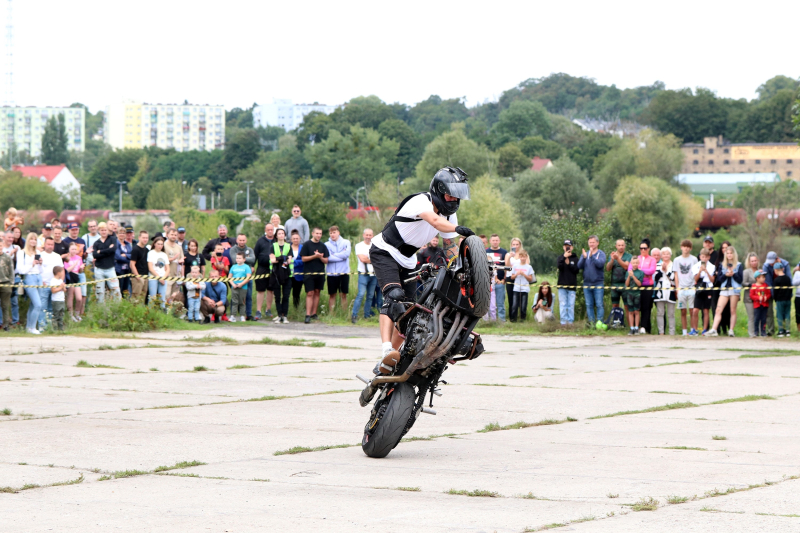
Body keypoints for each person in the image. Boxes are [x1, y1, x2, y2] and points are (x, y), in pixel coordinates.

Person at [366, 166, 472, 379]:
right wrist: (460, 230)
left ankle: (391, 358)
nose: (453, 199)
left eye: (457, 195)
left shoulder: (450, 215)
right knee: (394, 298)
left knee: (409, 313)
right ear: (439, 190)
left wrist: (456, 264)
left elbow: (449, 243)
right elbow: (434, 221)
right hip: (385, 251)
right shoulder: (420, 201)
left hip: (407, 259)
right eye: (450, 194)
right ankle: (386, 348)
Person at [705, 246, 743, 337]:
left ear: (734, 254)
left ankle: (731, 330)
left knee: (732, 310)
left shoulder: (739, 265)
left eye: (731, 253)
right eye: (728, 253)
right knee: (718, 309)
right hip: (724, 289)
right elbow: (719, 279)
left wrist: (733, 274)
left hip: (734, 289)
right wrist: (726, 275)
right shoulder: (722, 265)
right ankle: (714, 329)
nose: (729, 255)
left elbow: (740, 279)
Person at [300, 227, 329, 324]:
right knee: (310, 293)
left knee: (317, 292)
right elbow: (303, 259)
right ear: (313, 233)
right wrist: (314, 256)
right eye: (317, 233)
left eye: (320, 233)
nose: (319, 235)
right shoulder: (307, 245)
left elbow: (326, 261)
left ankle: (314, 313)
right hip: (309, 273)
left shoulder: (323, 246)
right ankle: (307, 314)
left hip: (320, 273)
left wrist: (320, 257)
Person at [16, 233, 43, 334]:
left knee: (34, 304)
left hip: (38, 277)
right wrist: (31, 265)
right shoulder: (22, 252)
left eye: (35, 239)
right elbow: (20, 269)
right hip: (29, 277)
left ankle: (30, 327)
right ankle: (32, 327)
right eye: (31, 239)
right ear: (28, 240)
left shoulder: (38, 252)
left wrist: (40, 263)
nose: (33, 241)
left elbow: (41, 270)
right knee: (38, 304)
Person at [577, 235, 606, 326]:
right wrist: (585, 257)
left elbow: (600, 264)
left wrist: (592, 257)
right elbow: (579, 266)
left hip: (598, 283)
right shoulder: (585, 254)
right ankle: (591, 323)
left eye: (593, 242)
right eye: (590, 242)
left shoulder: (601, 254)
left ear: (597, 243)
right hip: (587, 283)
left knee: (599, 304)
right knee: (589, 304)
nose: (591, 244)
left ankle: (599, 322)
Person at [673, 240, 699, 336]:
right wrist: (677, 287)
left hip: (691, 287)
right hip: (681, 288)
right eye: (684, 246)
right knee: (683, 310)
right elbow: (676, 274)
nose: (686, 248)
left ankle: (693, 330)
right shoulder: (676, 260)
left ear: (690, 248)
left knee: (692, 310)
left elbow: (696, 273)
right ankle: (684, 331)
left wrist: (695, 285)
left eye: (688, 246)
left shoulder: (694, 259)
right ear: (681, 247)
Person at [631, 239, 657, 334]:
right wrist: (642, 271)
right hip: (637, 286)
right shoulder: (636, 258)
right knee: (636, 307)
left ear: (648, 249)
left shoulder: (652, 259)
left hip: (647, 286)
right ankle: (635, 326)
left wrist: (639, 271)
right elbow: (630, 269)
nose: (642, 250)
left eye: (645, 248)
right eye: (641, 248)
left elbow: (651, 270)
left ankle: (644, 326)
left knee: (646, 307)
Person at [38, 237, 64, 330]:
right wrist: (40, 281)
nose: (50, 246)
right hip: (44, 285)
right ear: (44, 244)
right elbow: (37, 270)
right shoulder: (40, 255)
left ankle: (50, 326)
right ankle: (42, 326)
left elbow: (62, 270)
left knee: (51, 308)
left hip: (55, 286)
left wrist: (61, 282)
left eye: (52, 244)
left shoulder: (57, 256)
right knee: (42, 307)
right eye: (48, 244)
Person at [269, 227, 293, 323]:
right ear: (276, 235)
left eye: (282, 233)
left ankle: (285, 315)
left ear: (285, 235)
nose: (281, 235)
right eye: (279, 233)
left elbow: (289, 260)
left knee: (286, 296)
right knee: (277, 296)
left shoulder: (288, 246)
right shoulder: (273, 246)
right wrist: (282, 257)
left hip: (286, 274)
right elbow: (272, 260)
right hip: (276, 274)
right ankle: (279, 315)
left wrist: (280, 258)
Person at [92, 222, 121, 303]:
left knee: (116, 290)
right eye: (102, 230)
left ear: (107, 230)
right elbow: (95, 255)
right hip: (99, 269)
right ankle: (100, 309)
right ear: (99, 231)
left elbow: (113, 250)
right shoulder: (96, 243)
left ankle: (118, 307)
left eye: (105, 230)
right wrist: (107, 251)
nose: (104, 232)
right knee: (100, 292)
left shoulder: (112, 239)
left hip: (110, 268)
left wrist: (100, 251)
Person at [229, 233, 255, 320]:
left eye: (243, 240)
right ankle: (233, 315)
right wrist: (245, 258)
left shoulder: (250, 249)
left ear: (246, 240)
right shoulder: (233, 249)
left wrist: (241, 258)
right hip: (236, 278)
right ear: (237, 240)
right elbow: (234, 260)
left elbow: (253, 259)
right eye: (240, 240)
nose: (242, 242)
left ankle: (248, 314)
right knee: (235, 298)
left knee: (248, 297)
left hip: (247, 278)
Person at [353, 228, 377, 323]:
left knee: (370, 296)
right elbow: (362, 259)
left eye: (370, 235)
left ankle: (366, 315)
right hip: (363, 274)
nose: (368, 237)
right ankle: (354, 315)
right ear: (363, 235)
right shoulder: (359, 246)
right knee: (361, 294)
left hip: (373, 274)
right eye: (366, 235)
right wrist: (371, 259)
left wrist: (368, 258)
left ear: (372, 236)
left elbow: (377, 259)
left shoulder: (375, 246)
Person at [325, 225, 351, 314]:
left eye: (334, 232)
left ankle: (344, 313)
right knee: (332, 295)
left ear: (338, 233)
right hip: (331, 273)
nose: (332, 235)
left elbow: (346, 254)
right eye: (331, 233)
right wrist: (340, 255)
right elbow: (328, 258)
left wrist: (334, 255)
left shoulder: (346, 242)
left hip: (343, 273)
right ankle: (331, 313)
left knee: (343, 294)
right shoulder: (326, 245)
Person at [764, 251, 790, 336]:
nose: (771, 264)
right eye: (770, 262)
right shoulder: (766, 265)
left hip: (782, 297)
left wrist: (777, 297)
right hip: (775, 294)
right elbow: (768, 282)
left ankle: (782, 331)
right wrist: (774, 296)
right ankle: (773, 331)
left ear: (777, 259)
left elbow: (789, 281)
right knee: (771, 313)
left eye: (773, 262)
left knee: (780, 314)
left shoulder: (785, 264)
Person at [606, 239, 631, 325]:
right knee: (615, 306)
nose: (621, 247)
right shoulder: (612, 255)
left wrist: (618, 259)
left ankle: (629, 326)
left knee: (627, 306)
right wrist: (612, 260)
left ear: (625, 246)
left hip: (625, 285)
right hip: (614, 285)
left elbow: (626, 267)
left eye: (622, 245)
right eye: (619, 245)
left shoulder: (628, 256)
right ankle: (615, 324)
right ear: (616, 246)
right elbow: (608, 268)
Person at [254, 223, 276, 320]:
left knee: (270, 290)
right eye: (268, 229)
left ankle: (268, 309)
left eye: (271, 229)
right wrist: (252, 266)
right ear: (265, 230)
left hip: (273, 268)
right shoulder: (260, 241)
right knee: (260, 290)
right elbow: (255, 254)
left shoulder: (277, 241)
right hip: (262, 268)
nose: (270, 231)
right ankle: (258, 311)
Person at [691, 248, 716, 335]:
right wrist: (700, 271)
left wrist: (707, 271)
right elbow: (695, 279)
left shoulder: (712, 266)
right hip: (699, 288)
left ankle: (705, 329)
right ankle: (694, 329)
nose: (704, 259)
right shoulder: (695, 266)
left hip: (708, 288)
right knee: (695, 310)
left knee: (706, 310)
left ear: (709, 257)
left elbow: (712, 280)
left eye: (706, 257)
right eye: (703, 257)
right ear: (700, 257)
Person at [653, 247, 677, 335]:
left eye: (667, 253)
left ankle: (672, 332)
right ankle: (661, 332)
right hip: (660, 292)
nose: (666, 255)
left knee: (671, 314)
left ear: (670, 255)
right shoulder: (657, 265)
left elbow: (674, 278)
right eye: (664, 254)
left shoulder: (674, 265)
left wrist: (666, 271)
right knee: (660, 313)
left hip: (671, 292)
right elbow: (655, 278)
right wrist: (661, 270)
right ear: (661, 256)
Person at [486, 234, 508, 322]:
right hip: (487, 282)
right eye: (493, 240)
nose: (495, 242)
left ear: (499, 241)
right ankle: (487, 321)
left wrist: (504, 279)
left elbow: (507, 266)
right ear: (490, 241)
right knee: (487, 303)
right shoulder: (485, 251)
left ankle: (501, 320)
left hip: (500, 282)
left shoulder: (504, 252)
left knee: (500, 303)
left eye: (496, 240)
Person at [557, 239, 579, 325]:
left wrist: (569, 264)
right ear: (563, 247)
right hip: (562, 285)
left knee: (570, 305)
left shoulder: (575, 258)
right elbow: (559, 266)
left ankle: (570, 322)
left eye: (569, 246)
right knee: (563, 304)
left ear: (572, 247)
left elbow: (576, 270)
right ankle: (563, 322)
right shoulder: (560, 257)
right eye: (566, 246)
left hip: (572, 285)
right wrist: (564, 257)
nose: (567, 247)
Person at [509, 250, 534, 321]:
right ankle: (513, 319)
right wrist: (516, 274)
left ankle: (522, 319)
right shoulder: (515, 266)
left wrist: (524, 274)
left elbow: (530, 279)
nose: (522, 258)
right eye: (521, 257)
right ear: (519, 257)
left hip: (525, 288)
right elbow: (512, 277)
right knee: (514, 305)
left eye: (524, 257)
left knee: (523, 306)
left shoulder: (529, 267)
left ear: (526, 257)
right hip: (516, 288)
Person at [2, 229, 20, 327]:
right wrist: (11, 253)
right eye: (9, 237)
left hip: (14, 276)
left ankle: (15, 321)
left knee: (14, 301)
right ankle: (2, 322)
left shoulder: (17, 247)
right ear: (4, 237)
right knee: (2, 302)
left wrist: (16, 253)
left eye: (12, 237)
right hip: (2, 278)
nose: (11, 239)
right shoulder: (1, 248)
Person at [229, 252, 251, 323]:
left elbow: (248, 277)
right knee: (234, 302)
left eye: (239, 258)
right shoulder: (233, 267)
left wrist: (241, 284)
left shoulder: (246, 267)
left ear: (244, 259)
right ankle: (233, 316)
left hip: (243, 287)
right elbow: (229, 277)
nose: (238, 259)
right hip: (234, 287)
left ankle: (242, 315)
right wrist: (233, 284)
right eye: (237, 258)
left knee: (242, 302)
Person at [147, 237, 169, 309]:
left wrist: (164, 277)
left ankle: (161, 314)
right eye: (158, 244)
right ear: (155, 244)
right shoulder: (151, 253)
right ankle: (150, 313)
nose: (160, 246)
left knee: (162, 298)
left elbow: (168, 268)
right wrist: (159, 277)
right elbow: (150, 268)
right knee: (152, 298)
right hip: (153, 277)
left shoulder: (164, 255)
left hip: (163, 277)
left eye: (161, 244)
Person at [64, 244, 84, 322]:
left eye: (75, 249)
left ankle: (77, 313)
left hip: (76, 277)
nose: (74, 251)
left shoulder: (79, 258)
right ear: (69, 249)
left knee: (79, 298)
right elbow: (67, 270)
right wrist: (75, 264)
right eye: (72, 249)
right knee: (70, 297)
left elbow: (80, 270)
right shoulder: (67, 258)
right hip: (70, 277)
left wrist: (81, 268)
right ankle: (70, 314)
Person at [742, 252, 760, 338]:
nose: (754, 262)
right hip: (748, 297)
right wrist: (752, 285)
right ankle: (751, 333)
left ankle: (759, 332)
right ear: (749, 262)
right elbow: (743, 283)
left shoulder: (760, 271)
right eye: (752, 261)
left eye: (755, 260)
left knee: (759, 315)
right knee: (751, 316)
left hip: (758, 297)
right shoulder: (746, 272)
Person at [772, 262, 792, 337]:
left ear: (776, 270)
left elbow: (775, 291)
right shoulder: (788, 278)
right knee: (787, 314)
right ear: (782, 269)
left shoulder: (776, 280)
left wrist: (775, 299)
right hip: (788, 300)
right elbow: (790, 289)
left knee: (779, 315)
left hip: (780, 300)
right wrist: (789, 297)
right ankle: (787, 330)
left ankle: (781, 331)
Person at [625, 256, 644, 335]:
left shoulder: (641, 273)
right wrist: (629, 276)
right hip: (629, 293)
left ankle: (636, 328)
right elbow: (627, 284)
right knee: (630, 311)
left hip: (637, 294)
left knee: (636, 311)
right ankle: (631, 328)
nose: (635, 264)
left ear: (638, 263)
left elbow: (639, 284)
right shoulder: (628, 272)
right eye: (633, 263)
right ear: (631, 263)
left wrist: (633, 276)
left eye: (636, 263)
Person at [504, 237, 523, 314]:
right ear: (511, 245)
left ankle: (520, 315)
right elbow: (507, 266)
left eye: (517, 244)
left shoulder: (523, 254)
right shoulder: (508, 254)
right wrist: (509, 257)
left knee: (520, 297)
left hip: (520, 277)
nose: (515, 246)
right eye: (514, 244)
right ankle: (512, 316)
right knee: (511, 297)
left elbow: (525, 265)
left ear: (520, 245)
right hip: (510, 277)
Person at [163, 228, 184, 299]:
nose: (173, 236)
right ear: (167, 235)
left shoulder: (179, 247)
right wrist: (172, 259)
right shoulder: (164, 245)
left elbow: (182, 260)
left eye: (175, 235)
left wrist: (182, 276)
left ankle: (172, 310)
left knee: (175, 297)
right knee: (166, 295)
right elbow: (161, 260)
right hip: (167, 275)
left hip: (177, 275)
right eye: (172, 234)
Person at [129, 231, 150, 300]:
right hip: (137, 277)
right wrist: (137, 276)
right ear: (139, 238)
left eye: (146, 238)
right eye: (143, 237)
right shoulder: (135, 249)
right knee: (136, 297)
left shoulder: (146, 250)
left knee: (142, 298)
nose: (145, 239)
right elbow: (132, 264)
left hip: (145, 276)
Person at [751, 270, 770, 337]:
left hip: (764, 305)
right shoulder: (753, 286)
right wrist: (758, 298)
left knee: (764, 319)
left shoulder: (766, 285)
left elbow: (768, 294)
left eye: (764, 277)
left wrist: (766, 297)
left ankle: (763, 331)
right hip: (757, 305)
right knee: (756, 319)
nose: (764, 278)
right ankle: (756, 332)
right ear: (757, 278)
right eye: (762, 277)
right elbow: (752, 295)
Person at [114, 227, 132, 297]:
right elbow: (118, 257)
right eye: (120, 233)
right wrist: (128, 258)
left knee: (126, 289)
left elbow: (132, 255)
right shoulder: (116, 243)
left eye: (123, 233)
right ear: (117, 234)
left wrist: (125, 255)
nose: (122, 234)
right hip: (119, 269)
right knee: (119, 288)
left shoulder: (128, 244)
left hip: (127, 270)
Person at [0, 237, 12, 331]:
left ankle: (6, 325)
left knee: (5, 305)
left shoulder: (7, 257)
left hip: (5, 283)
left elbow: (12, 271)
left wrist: (11, 283)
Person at [49, 266, 66, 332]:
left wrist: (63, 287)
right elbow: (53, 290)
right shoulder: (53, 281)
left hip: (62, 299)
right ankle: (55, 329)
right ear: (58, 273)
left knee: (61, 315)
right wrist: (60, 287)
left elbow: (64, 290)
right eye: (62, 272)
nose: (62, 273)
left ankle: (61, 329)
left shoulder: (61, 280)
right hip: (56, 300)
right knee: (56, 315)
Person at [290, 230, 304, 308]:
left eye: (297, 238)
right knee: (286, 293)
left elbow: (304, 260)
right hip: (289, 274)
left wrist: (292, 262)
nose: (295, 240)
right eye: (294, 238)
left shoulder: (303, 248)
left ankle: (296, 309)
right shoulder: (287, 247)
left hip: (299, 274)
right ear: (291, 239)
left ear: (300, 239)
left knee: (296, 293)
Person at [793, 262, 800, 337]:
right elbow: (794, 283)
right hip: (798, 296)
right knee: (798, 314)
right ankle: (799, 330)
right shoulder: (797, 273)